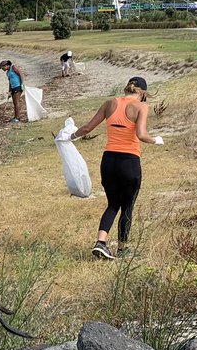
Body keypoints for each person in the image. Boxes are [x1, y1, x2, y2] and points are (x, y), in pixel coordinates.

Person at [70, 76, 163, 259]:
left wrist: (70, 136)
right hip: (128, 161)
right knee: (127, 206)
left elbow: (88, 128)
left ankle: (101, 242)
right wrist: (156, 140)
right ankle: (122, 249)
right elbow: (141, 134)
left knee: (113, 204)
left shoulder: (109, 103)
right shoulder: (141, 107)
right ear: (142, 93)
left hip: (109, 161)